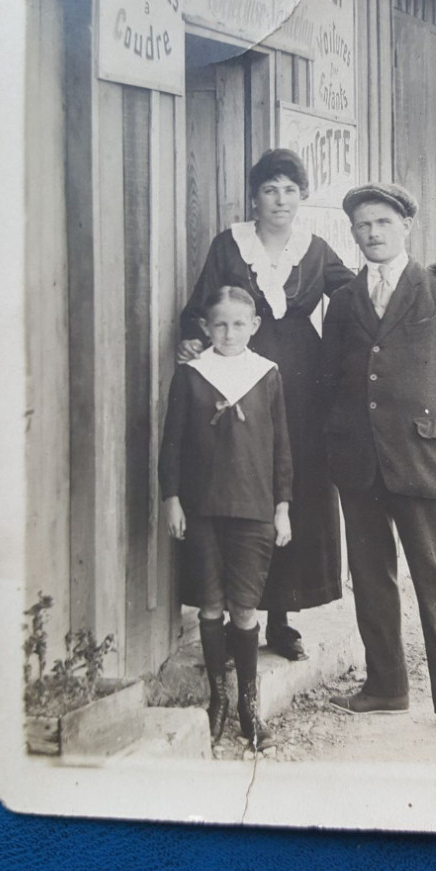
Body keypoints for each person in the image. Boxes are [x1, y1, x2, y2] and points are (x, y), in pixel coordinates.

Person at [178, 148, 436, 661]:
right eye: (269, 189)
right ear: (255, 197)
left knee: (292, 485)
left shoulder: (315, 247)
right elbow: (200, 306)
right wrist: (192, 340)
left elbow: (369, 286)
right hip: (238, 377)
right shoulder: (230, 245)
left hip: (301, 384)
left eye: (289, 189)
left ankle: (281, 618)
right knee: (238, 481)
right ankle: (227, 613)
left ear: (302, 196)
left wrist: (433, 273)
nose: (279, 200)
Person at [321, 183, 436, 743]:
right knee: (371, 578)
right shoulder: (345, 300)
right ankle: (386, 686)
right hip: (360, 462)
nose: (372, 233)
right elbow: (330, 381)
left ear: (405, 228)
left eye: (382, 223)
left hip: (423, 460)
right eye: (362, 225)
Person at [159, 286, 293, 752]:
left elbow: (281, 447)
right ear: (204, 327)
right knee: (210, 606)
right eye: (219, 324)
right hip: (203, 509)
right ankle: (217, 700)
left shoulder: (267, 375)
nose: (229, 333)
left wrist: (282, 507)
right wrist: (171, 499)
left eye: (239, 324)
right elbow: (172, 442)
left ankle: (248, 709)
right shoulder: (192, 376)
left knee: (244, 608)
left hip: (253, 509)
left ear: (254, 326)